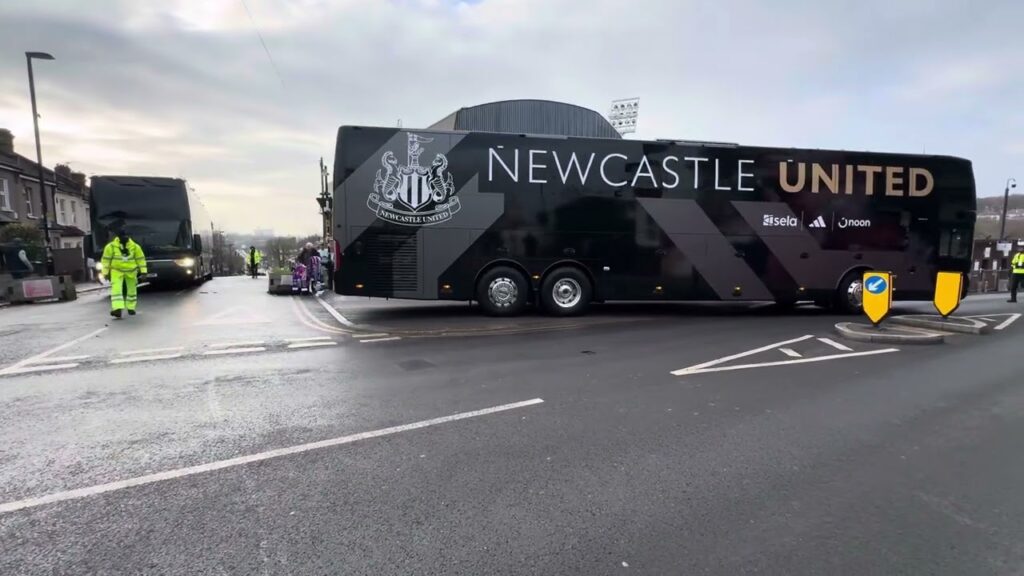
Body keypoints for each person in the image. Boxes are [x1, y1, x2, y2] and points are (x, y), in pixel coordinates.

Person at [101, 228, 147, 318]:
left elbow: (141, 260)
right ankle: (117, 309)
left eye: (126, 236)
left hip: (131, 271)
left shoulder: (135, 247)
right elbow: (105, 260)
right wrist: (105, 273)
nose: (124, 237)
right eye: (122, 236)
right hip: (116, 271)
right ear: (118, 237)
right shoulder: (110, 247)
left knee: (132, 290)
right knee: (116, 290)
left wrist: (144, 272)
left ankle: (131, 307)